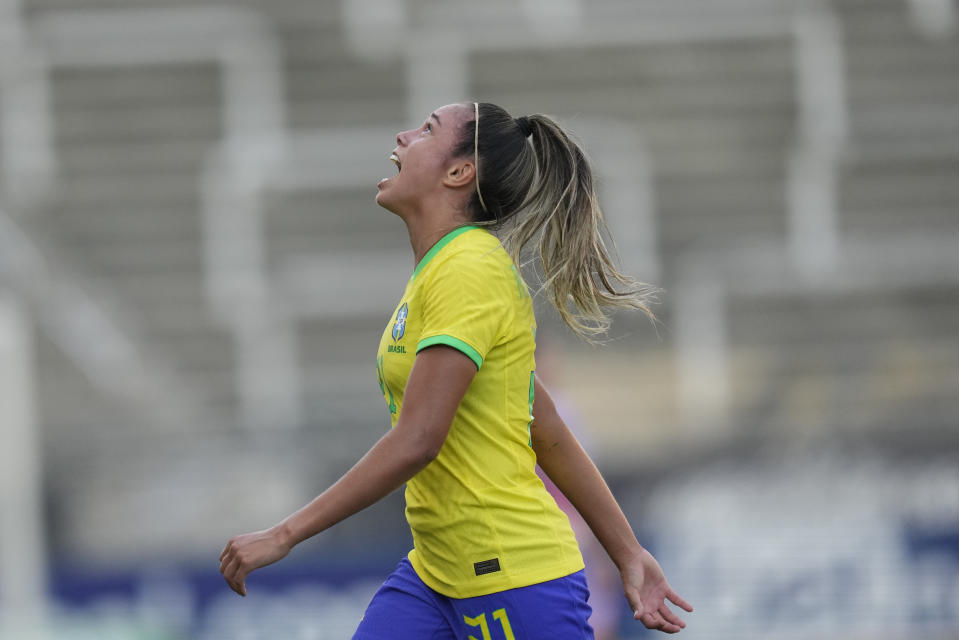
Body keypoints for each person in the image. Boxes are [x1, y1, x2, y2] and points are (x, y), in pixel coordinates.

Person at [219, 102, 693, 638]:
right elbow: (545, 427)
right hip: (435, 577)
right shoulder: (441, 271)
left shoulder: (469, 270)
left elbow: (418, 438)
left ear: (459, 171)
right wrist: (629, 552)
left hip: (512, 576)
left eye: (426, 130)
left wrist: (285, 533)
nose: (402, 135)